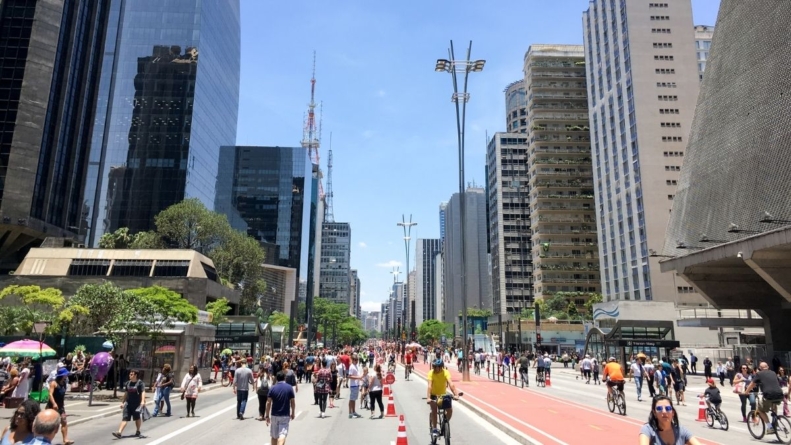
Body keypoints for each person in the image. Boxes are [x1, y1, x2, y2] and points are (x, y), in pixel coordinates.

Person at [743, 361, 785, 434]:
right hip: (779, 394)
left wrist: (746, 392)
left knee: (760, 410)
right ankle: (775, 421)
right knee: (774, 405)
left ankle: (770, 427)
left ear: (760, 368)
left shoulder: (759, 374)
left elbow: (752, 384)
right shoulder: (773, 373)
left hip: (768, 395)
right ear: (768, 367)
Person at [426, 359, 460, 439]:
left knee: (450, 410)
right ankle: (434, 428)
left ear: (441, 367)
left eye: (437, 367)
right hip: (433, 395)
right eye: (434, 366)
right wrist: (428, 397)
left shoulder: (446, 372)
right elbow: (429, 386)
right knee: (434, 411)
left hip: (443, 395)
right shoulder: (431, 373)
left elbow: (451, 384)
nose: (435, 368)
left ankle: (445, 423)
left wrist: (456, 394)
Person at [112, 369, 145, 439]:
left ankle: (138, 430)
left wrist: (142, 401)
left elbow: (143, 392)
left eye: (131, 374)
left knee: (137, 418)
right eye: (130, 374)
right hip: (128, 403)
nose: (130, 375)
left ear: (135, 375)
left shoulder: (140, 383)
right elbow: (126, 393)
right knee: (125, 418)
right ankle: (119, 432)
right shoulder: (127, 383)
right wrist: (122, 402)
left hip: (136, 404)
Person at [266, 371, 296, 445]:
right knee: (282, 435)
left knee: (274, 436)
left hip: (274, 415)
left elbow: (268, 402)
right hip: (285, 415)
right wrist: (293, 413)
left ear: (276, 378)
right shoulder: (289, 387)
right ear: (284, 378)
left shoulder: (272, 388)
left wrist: (267, 415)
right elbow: (292, 402)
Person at [46, 367, 73, 445]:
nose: (67, 375)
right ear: (62, 375)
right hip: (52, 407)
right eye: (66, 374)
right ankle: (46, 441)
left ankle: (65, 440)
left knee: (64, 422)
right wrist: (54, 403)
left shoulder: (63, 383)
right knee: (50, 425)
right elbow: (50, 394)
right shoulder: (53, 383)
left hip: (61, 407)